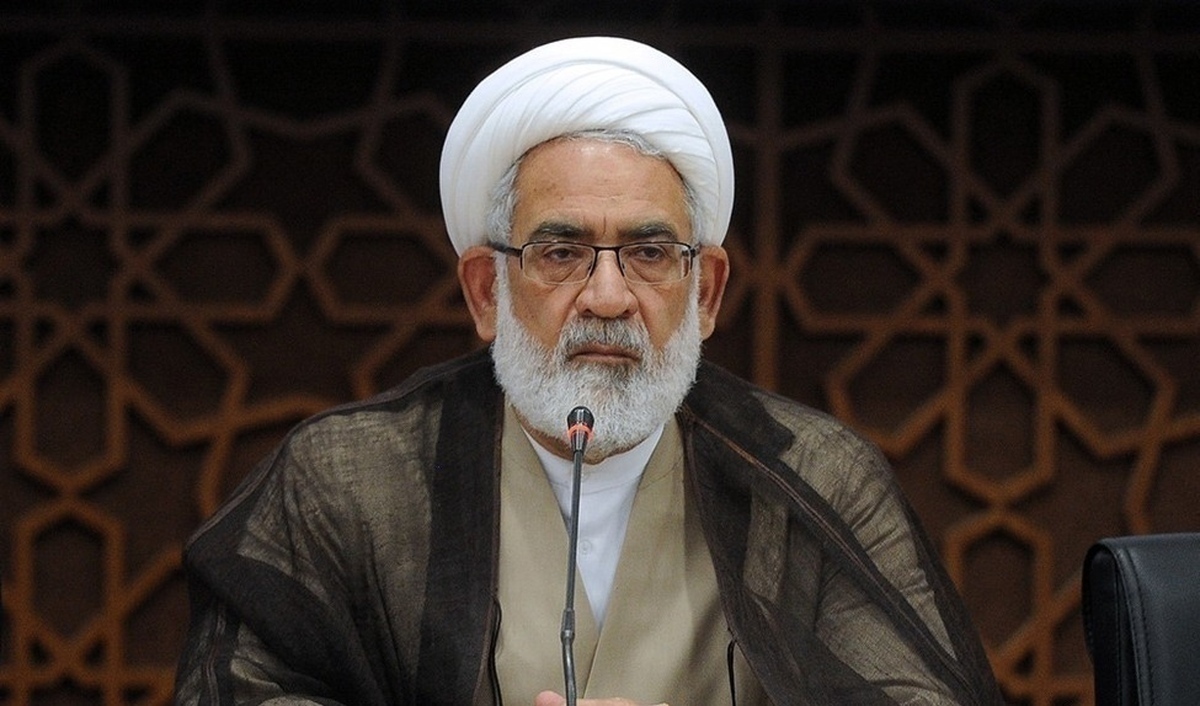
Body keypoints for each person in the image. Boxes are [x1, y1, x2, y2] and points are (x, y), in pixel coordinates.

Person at [174, 36, 1003, 705]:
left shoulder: (812, 479)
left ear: (705, 292)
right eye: (561, 252)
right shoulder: (350, 481)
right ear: (486, 290)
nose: (608, 297)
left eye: (649, 253)